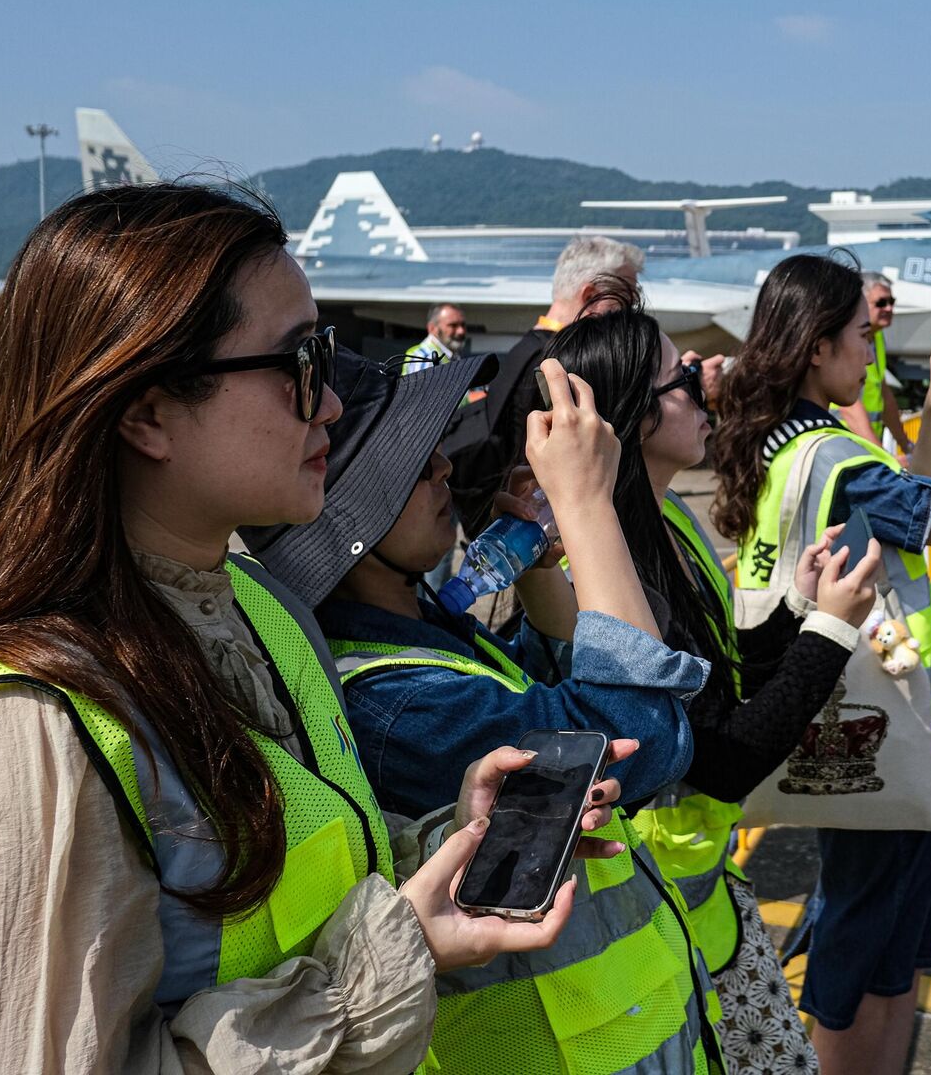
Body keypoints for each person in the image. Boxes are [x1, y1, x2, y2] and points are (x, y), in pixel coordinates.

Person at [0, 183, 628, 1075]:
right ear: (146, 411)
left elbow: (293, 898)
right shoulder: (15, 734)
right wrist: (382, 965)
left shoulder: (263, 608)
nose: (331, 405)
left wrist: (440, 849)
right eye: (301, 363)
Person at [243, 332, 725, 1073]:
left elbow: (558, 696)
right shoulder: (387, 700)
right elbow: (641, 741)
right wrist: (587, 503)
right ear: (350, 517)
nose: (441, 468)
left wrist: (537, 567)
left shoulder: (425, 633)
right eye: (404, 466)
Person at [549, 279, 888, 1074]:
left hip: (704, 902)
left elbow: (718, 670)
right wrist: (833, 630)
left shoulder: (670, 520)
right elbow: (722, 752)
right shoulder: (613, 575)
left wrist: (796, 607)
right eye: (681, 377)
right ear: (632, 418)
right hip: (661, 923)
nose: (707, 384)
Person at [710, 252, 931, 1075]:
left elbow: (907, 511)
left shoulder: (788, 450)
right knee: (861, 947)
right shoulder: (845, 463)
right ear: (817, 347)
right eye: (857, 334)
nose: (867, 351)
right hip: (889, 726)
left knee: (884, 943)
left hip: (846, 714)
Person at [440, 235, 645, 538]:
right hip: (549, 534)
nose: (630, 316)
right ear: (590, 296)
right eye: (625, 300)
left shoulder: (524, 349)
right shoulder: (560, 365)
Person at [834, 272, 914, 454]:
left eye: (891, 302)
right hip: (844, 447)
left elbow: (884, 394)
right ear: (861, 304)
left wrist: (907, 445)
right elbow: (849, 407)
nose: (888, 308)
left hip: (865, 447)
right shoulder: (847, 339)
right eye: (881, 303)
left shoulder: (877, 338)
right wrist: (884, 457)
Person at [404, 302, 468, 370]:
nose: (461, 331)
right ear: (432, 328)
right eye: (453, 325)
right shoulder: (425, 358)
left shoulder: (452, 355)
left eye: (463, 325)